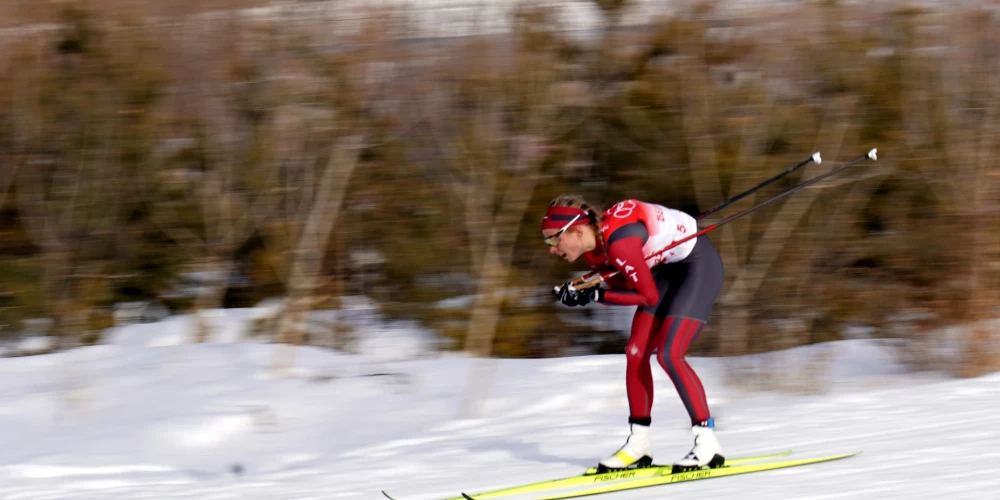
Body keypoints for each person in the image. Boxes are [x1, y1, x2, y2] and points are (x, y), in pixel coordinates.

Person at [541, 195, 726, 473]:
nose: (552, 249)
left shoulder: (618, 242)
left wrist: (595, 294)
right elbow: (620, 274)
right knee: (636, 353)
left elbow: (647, 296)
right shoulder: (595, 249)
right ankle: (639, 445)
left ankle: (708, 444)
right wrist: (581, 288)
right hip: (667, 269)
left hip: (698, 265)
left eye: (553, 240)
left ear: (578, 230)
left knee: (669, 355)